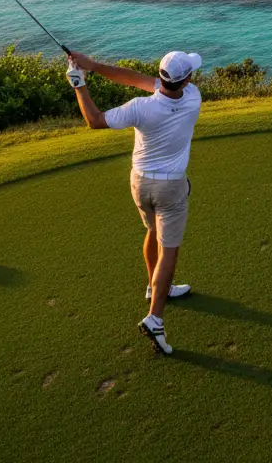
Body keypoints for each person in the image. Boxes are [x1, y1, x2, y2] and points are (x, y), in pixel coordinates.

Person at [66, 49, 203, 355]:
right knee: (170, 251)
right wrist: (94, 66)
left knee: (153, 232)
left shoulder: (140, 108)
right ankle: (155, 317)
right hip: (171, 188)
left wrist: (80, 82)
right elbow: (140, 80)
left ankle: (154, 286)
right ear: (187, 79)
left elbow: (95, 120)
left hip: (140, 183)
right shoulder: (193, 97)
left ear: (162, 76)